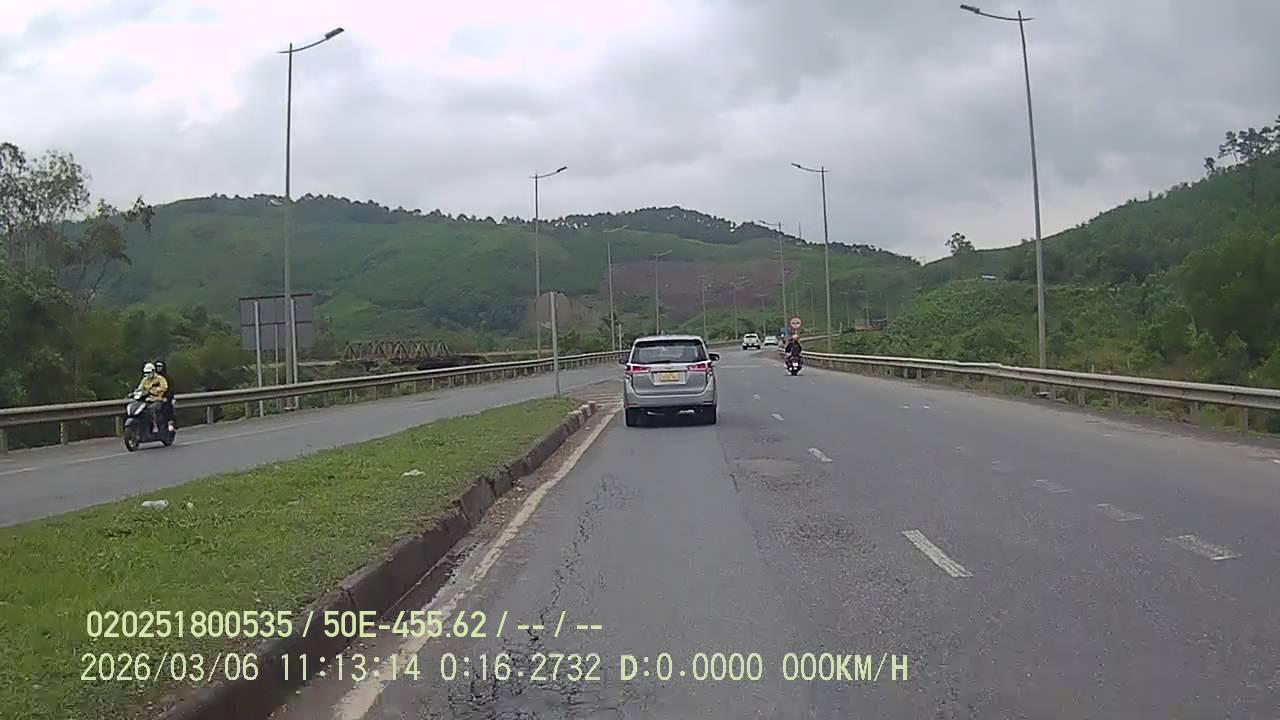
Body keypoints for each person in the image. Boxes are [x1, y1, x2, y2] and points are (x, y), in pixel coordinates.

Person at [134, 362, 169, 434]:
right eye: (146, 372)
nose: (147, 374)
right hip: (147, 399)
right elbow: (140, 388)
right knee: (140, 408)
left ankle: (155, 426)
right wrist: (135, 392)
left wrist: (155, 390)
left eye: (149, 372)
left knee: (152, 409)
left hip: (158, 399)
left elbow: (164, 387)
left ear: (153, 371)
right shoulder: (145, 379)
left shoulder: (160, 378)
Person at [154, 360, 175, 432]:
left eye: (160, 366)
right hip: (154, 398)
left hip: (164, 398)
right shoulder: (152, 378)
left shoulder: (167, 378)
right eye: (157, 366)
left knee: (167, 408)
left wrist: (167, 397)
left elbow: (171, 389)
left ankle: (170, 424)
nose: (158, 368)